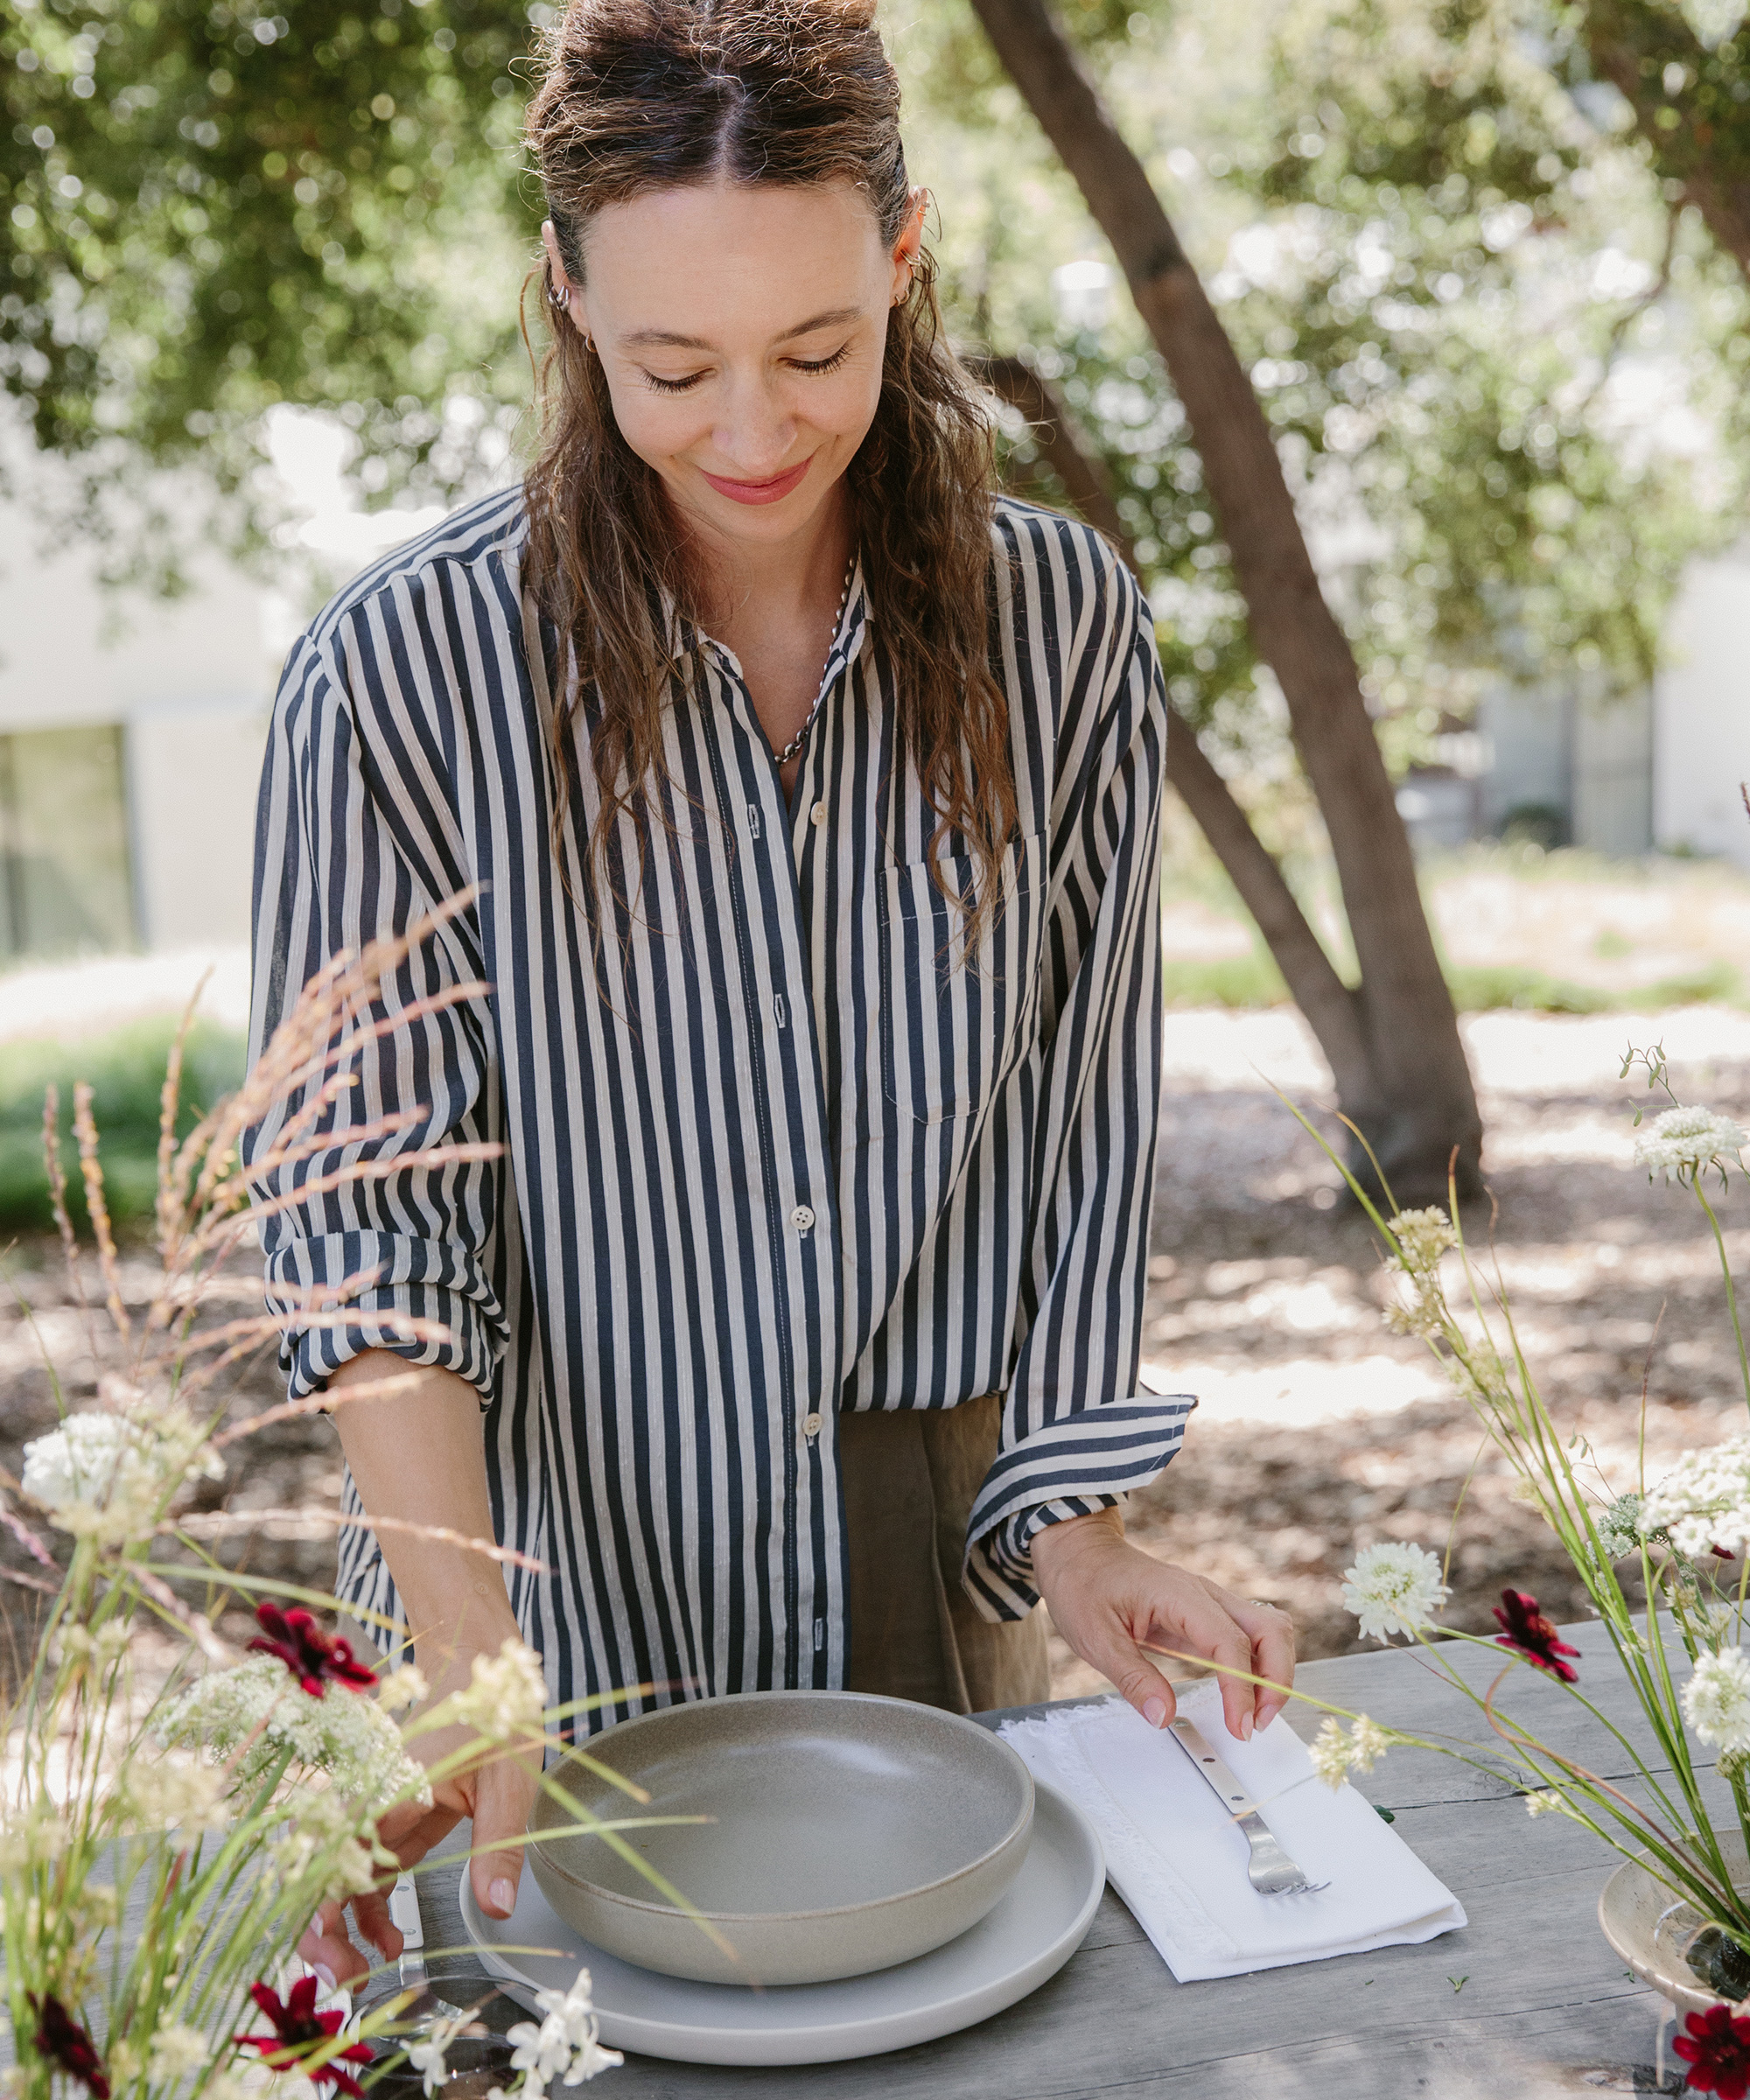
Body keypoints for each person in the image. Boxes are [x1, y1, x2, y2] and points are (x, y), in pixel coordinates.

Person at [245, 0, 1297, 1989]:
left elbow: (1076, 1122)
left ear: (905, 258)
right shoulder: (398, 679)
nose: (754, 432)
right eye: (671, 364)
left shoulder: (1057, 624)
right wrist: (469, 1661)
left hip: (916, 1539)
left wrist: (1074, 1527)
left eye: (817, 348)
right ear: (565, 296)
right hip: (527, 1551)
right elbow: (364, 1227)